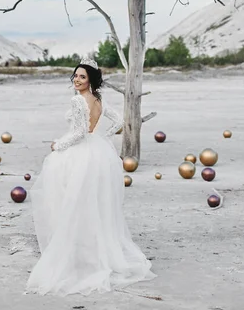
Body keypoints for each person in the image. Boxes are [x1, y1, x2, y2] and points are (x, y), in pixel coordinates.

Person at [26, 57, 156, 296]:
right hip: (98, 154)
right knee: (93, 203)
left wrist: (58, 145)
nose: (77, 80)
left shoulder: (77, 100)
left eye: (82, 77)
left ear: (91, 80)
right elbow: (116, 121)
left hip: (79, 155)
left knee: (71, 201)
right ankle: (91, 251)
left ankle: (76, 253)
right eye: (75, 76)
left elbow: (78, 133)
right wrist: (101, 137)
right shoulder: (98, 99)